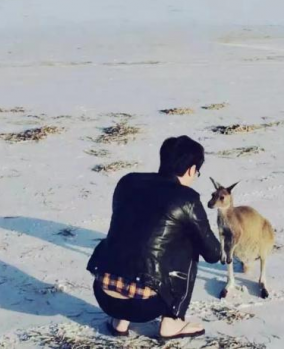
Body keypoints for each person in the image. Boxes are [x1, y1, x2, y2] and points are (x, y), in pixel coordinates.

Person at [87, 135, 221, 340]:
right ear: (191, 169)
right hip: (145, 305)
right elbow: (213, 254)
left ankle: (120, 321)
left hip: (104, 295)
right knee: (190, 241)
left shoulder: (128, 181)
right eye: (197, 172)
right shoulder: (186, 198)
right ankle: (172, 321)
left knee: (131, 231)